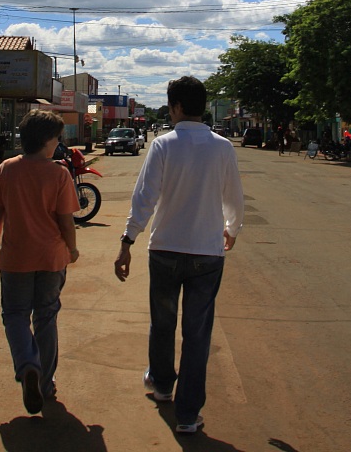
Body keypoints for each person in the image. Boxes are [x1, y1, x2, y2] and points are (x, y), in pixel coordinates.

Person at [114, 76, 244, 436]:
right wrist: (232, 229)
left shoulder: (163, 145)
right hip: (207, 254)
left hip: (165, 251)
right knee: (197, 334)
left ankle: (161, 384)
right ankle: (188, 415)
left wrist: (128, 240)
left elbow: (145, 197)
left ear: (176, 107)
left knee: (163, 323)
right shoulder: (222, 148)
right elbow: (234, 197)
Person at [0, 109, 81, 415]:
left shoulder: (7, 169)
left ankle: (27, 364)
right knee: (46, 317)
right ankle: (45, 383)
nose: (59, 143)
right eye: (57, 138)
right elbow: (65, 220)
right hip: (51, 257)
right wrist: (72, 249)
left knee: (15, 315)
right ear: (46, 141)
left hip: (15, 257)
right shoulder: (59, 174)